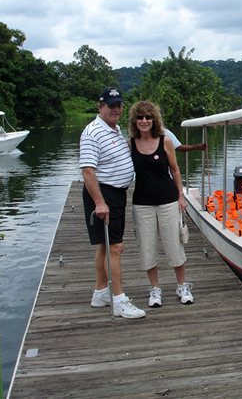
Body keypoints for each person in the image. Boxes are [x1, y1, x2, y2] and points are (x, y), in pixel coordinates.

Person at [80, 87, 146, 319]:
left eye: (119, 105)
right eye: (111, 106)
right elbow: (88, 170)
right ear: (100, 108)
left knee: (104, 245)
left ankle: (101, 293)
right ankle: (119, 301)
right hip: (104, 194)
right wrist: (100, 202)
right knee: (115, 247)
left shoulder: (114, 129)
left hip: (116, 194)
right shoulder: (92, 132)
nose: (116, 109)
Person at [127, 101, 193, 307]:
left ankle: (182, 286)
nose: (144, 121)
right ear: (134, 121)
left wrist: (181, 196)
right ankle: (155, 290)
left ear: (154, 120)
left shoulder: (165, 141)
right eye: (140, 117)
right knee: (147, 248)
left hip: (168, 201)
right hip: (142, 203)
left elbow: (175, 170)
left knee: (174, 244)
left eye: (148, 117)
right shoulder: (130, 144)